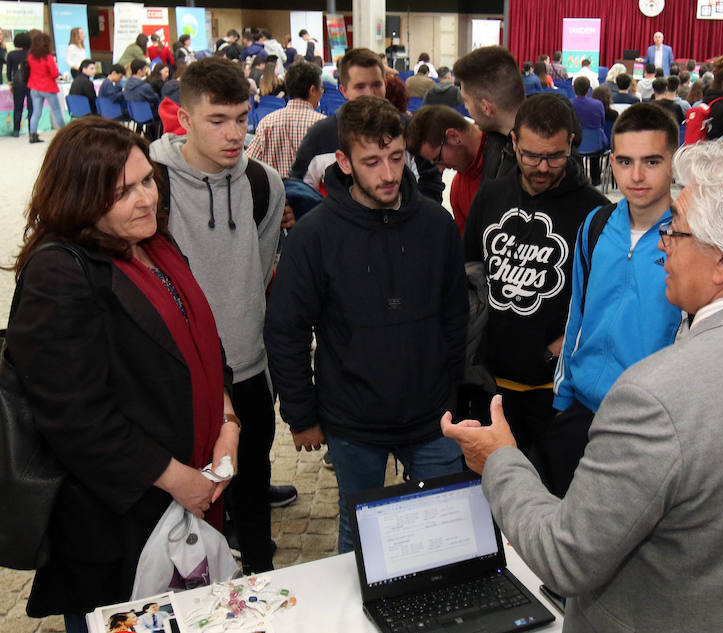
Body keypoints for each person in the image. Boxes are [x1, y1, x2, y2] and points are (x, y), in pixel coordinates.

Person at [442, 139, 723, 633]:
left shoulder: (656, 395)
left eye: (675, 230)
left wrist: (501, 460)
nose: (662, 244)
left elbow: (564, 557)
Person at [7, 118, 238, 633]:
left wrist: (228, 423)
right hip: (116, 523)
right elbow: (75, 418)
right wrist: (178, 480)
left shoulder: (154, 244)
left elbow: (205, 340)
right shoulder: (59, 273)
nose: (144, 199)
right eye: (122, 191)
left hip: (190, 495)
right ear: (80, 197)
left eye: (146, 181)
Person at [265, 96, 468, 554]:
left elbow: (456, 317)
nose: (389, 173)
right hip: (353, 421)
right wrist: (301, 414)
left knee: (441, 533)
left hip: (432, 415)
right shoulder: (315, 235)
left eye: (396, 158)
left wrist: (451, 391)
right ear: (344, 162)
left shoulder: (437, 226)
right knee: (360, 538)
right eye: (372, 162)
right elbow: (287, 330)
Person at [149, 57, 290, 575]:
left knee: (252, 480)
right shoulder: (152, 180)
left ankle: (257, 569)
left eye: (242, 118)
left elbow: (259, 266)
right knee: (181, 497)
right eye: (218, 120)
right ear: (184, 120)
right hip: (178, 376)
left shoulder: (264, 184)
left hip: (249, 366)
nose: (235, 135)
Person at [462, 94, 609, 479]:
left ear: (572, 144)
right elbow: (471, 278)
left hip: (556, 395)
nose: (542, 167)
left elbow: (603, 300)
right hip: (492, 387)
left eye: (555, 156)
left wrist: (560, 346)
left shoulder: (594, 212)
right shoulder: (490, 195)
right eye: (531, 155)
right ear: (513, 142)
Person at [550, 103, 682, 497]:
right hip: (582, 409)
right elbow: (578, 313)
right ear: (611, 161)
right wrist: (563, 396)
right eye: (625, 161)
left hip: (648, 423)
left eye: (652, 161)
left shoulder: (691, 238)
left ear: (674, 161)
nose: (636, 175)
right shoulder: (597, 224)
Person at [290, 47, 443, 202]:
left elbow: (430, 185)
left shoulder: (410, 129)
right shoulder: (321, 134)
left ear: (385, 84)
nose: (370, 93)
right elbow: (300, 190)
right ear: (344, 90)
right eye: (360, 87)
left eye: (376, 85)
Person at [406, 104, 486, 233]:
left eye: (439, 158)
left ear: (453, 136)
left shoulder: (513, 154)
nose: (440, 169)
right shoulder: (458, 189)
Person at [453, 46, 526, 181]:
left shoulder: (534, 169)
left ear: (486, 107)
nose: (466, 107)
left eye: (466, 101)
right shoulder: (494, 140)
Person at [248, 61, 324, 179]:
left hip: (275, 194)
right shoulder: (323, 125)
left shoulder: (267, 122)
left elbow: (249, 163)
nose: (322, 92)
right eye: (321, 88)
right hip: (313, 196)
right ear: (312, 90)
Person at [26, 31, 64, 144]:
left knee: (36, 112)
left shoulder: (30, 57)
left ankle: (32, 135)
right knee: (57, 111)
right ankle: (64, 132)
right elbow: (54, 74)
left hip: (34, 87)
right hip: (47, 87)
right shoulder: (48, 58)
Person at [6, 31, 33, 137]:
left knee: (17, 107)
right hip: (31, 82)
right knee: (31, 107)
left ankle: (16, 130)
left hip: (18, 83)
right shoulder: (31, 54)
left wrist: (10, 82)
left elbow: (9, 71)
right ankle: (32, 129)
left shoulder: (11, 54)